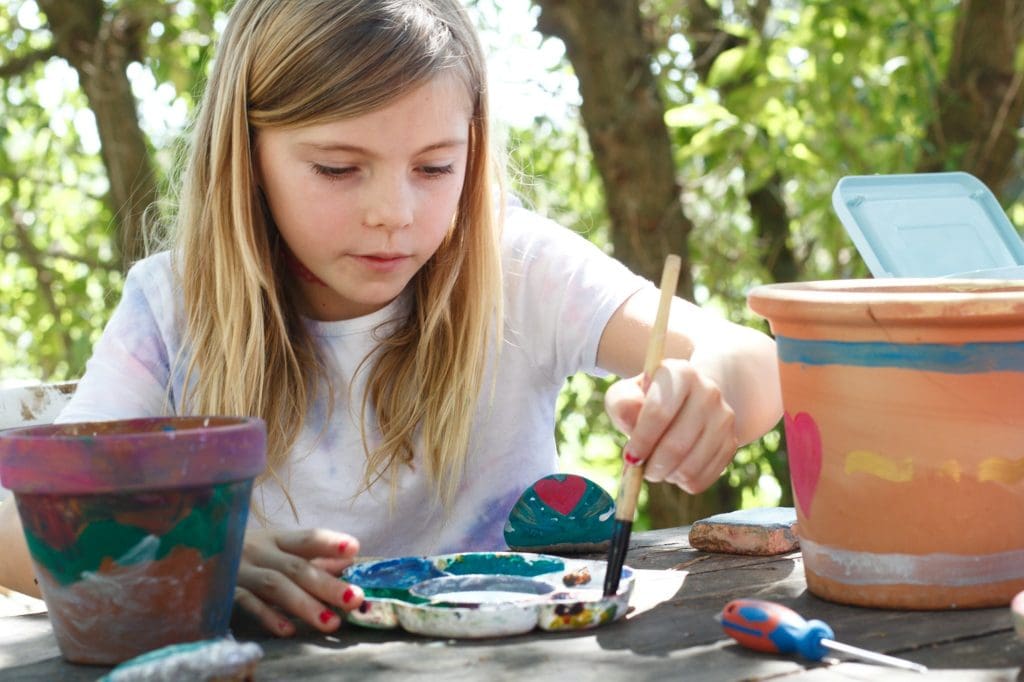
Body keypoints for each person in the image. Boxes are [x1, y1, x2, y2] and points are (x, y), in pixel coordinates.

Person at [0, 0, 782, 637]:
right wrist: (189, 555)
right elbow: (28, 523)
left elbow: (754, 359)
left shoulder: (516, 266)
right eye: (339, 169)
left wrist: (705, 390)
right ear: (249, 153)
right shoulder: (174, 309)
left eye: (436, 167)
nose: (394, 214)